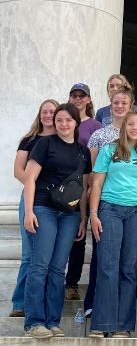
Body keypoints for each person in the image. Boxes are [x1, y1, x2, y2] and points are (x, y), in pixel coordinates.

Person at [89, 110, 137, 338]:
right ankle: (102, 324)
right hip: (110, 209)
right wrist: (93, 214)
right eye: (131, 124)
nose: (134, 128)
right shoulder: (110, 150)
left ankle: (123, 325)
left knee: (128, 268)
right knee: (107, 266)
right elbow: (97, 184)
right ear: (124, 126)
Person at [23, 103, 91, 339]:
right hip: (44, 209)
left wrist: (83, 218)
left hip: (70, 215)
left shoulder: (82, 151)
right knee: (39, 265)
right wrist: (29, 211)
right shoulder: (45, 144)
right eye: (59, 120)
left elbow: (82, 188)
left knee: (57, 268)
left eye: (68, 120)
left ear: (76, 123)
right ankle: (34, 321)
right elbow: (30, 179)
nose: (63, 124)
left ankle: (53, 321)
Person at [84, 87, 134, 315]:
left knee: (125, 260)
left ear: (130, 106)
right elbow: (93, 171)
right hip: (105, 201)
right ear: (110, 105)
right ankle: (93, 303)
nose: (120, 106)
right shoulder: (99, 135)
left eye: (124, 102)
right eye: (116, 102)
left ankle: (118, 307)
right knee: (101, 254)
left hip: (132, 203)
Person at [10, 99, 58, 318]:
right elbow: (18, 171)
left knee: (49, 258)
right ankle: (20, 303)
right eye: (44, 111)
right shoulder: (29, 140)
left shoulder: (63, 140)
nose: (48, 115)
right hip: (30, 201)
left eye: (52, 112)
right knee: (29, 255)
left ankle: (43, 303)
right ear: (39, 115)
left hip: (55, 205)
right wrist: (35, 187)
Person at [65, 83, 101, 301]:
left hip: (85, 184)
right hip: (61, 185)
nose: (77, 99)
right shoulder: (64, 120)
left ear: (88, 99)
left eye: (82, 95)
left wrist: (90, 186)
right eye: (74, 95)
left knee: (79, 236)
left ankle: (72, 283)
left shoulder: (96, 125)